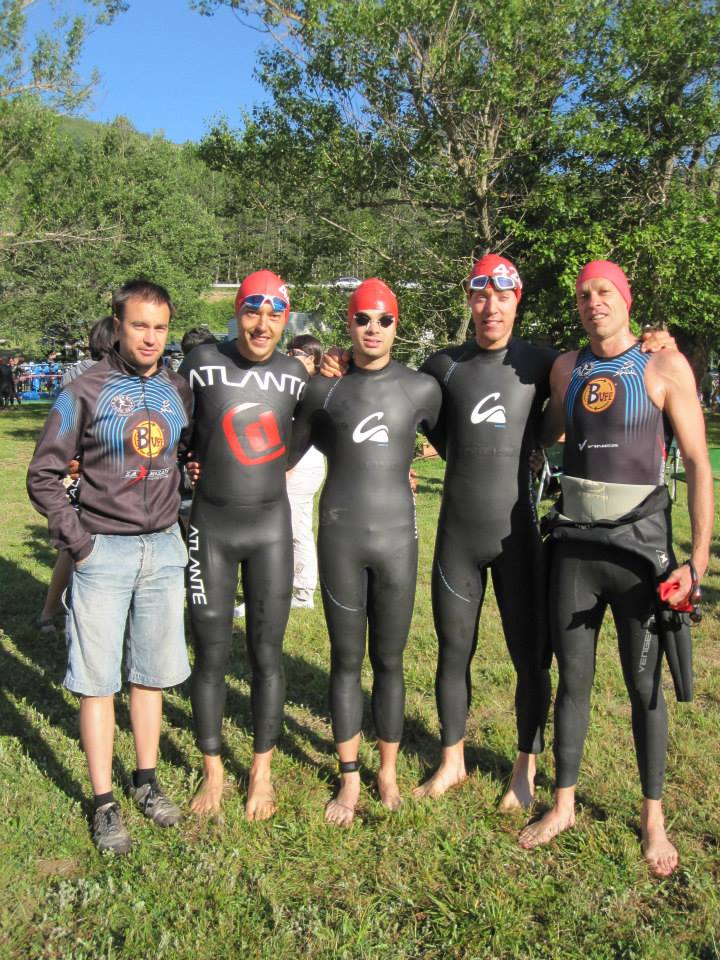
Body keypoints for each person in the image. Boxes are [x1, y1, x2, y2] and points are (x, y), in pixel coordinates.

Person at [518, 260, 713, 877]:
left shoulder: (663, 365)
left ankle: (653, 819)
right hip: (576, 548)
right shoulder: (566, 368)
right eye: (583, 294)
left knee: (644, 686)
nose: (593, 301)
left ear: (626, 299)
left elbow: (697, 462)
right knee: (572, 681)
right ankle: (563, 804)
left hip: (638, 552)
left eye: (604, 291)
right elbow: (546, 432)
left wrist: (698, 559)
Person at [27, 280, 193, 855]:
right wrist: (80, 542)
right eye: (139, 325)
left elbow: (183, 451)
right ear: (118, 326)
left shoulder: (177, 388)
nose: (150, 337)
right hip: (104, 552)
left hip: (163, 550)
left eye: (160, 327)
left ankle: (146, 780)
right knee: (97, 682)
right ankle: (103, 803)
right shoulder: (83, 391)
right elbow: (43, 475)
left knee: (150, 675)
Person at [290, 279, 442, 825]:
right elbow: (283, 453)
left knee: (391, 660)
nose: (372, 328)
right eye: (362, 319)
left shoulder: (422, 388)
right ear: (348, 324)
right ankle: (350, 777)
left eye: (383, 319)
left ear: (397, 325)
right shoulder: (324, 391)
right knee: (346, 659)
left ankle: (389, 772)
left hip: (398, 539)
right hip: (341, 536)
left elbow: (466, 446)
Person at [179, 269, 308, 821]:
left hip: (269, 529)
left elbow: (304, 434)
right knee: (210, 655)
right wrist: (188, 463)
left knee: (266, 654)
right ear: (237, 312)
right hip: (210, 526)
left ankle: (261, 772)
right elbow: (175, 425)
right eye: (252, 311)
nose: (262, 324)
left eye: (274, 314)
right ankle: (212, 771)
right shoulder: (202, 362)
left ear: (285, 320)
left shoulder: (295, 375)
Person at [285, 334, 325, 609]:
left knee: (296, 528)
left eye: (295, 352)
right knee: (294, 526)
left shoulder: (313, 387)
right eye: (288, 350)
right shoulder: (295, 383)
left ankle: (303, 591)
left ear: (312, 358)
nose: (289, 356)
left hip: (303, 463)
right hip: (295, 462)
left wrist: (290, 466)